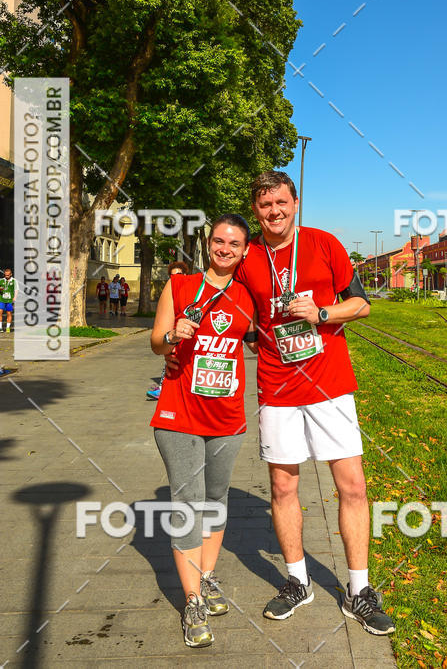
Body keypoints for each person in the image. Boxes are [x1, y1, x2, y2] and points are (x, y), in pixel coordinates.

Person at [234, 171, 395, 635]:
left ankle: (358, 592)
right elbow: (238, 317)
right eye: (265, 206)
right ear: (257, 210)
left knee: (353, 487)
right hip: (277, 388)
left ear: (295, 201)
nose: (274, 212)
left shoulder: (325, 244)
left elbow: (361, 304)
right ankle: (297, 582)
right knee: (284, 489)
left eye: (281, 202)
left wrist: (322, 313)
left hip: (330, 387)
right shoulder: (249, 259)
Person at [150, 215, 256, 649]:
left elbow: (261, 340)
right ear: (207, 243)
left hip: (227, 418)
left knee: (215, 501)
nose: (225, 248)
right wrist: (173, 338)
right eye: (218, 240)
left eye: (234, 243)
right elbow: (156, 342)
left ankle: (207, 579)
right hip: (179, 413)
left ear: (245, 250)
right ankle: (192, 599)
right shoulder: (180, 287)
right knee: (187, 505)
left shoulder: (249, 298)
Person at [147, 262, 189, 400]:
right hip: (173, 333)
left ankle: (164, 387)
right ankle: (163, 386)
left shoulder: (192, 291)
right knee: (170, 359)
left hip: (187, 335)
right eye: (172, 275)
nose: (175, 277)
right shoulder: (169, 290)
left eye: (178, 274)